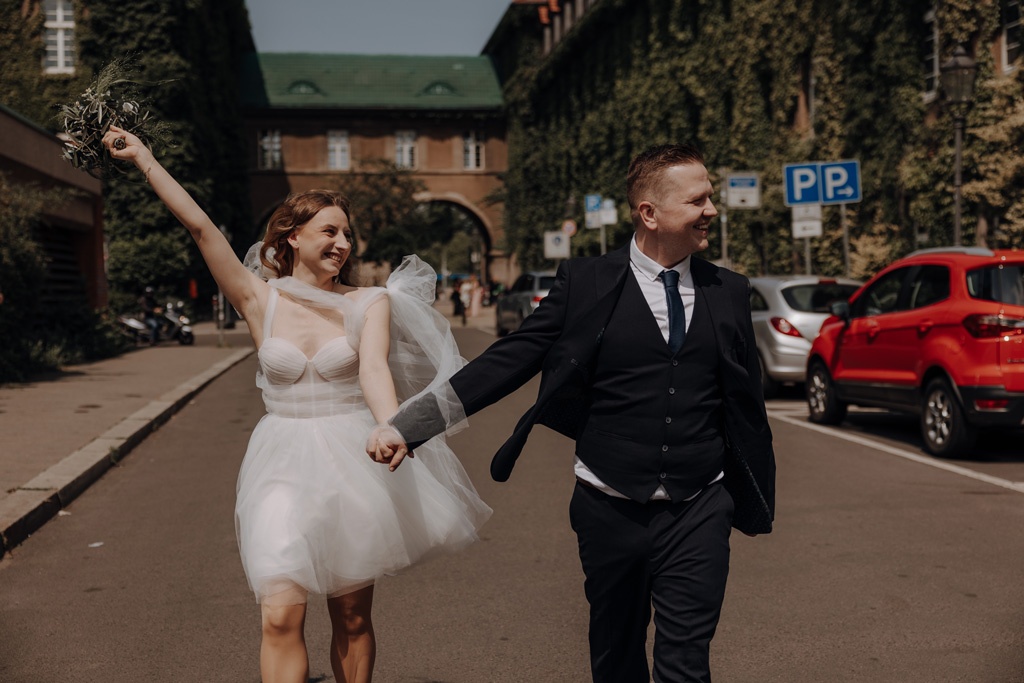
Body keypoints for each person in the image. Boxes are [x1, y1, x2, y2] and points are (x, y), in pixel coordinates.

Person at [101, 125, 490, 683]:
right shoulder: (260, 299)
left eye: (347, 235)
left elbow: (376, 370)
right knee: (279, 615)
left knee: (352, 615)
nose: (343, 244)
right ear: (291, 237)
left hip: (353, 456)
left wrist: (390, 427)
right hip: (281, 460)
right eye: (329, 231)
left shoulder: (369, 302)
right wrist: (146, 161)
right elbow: (200, 227)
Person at [376, 143, 775, 682]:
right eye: (698, 199)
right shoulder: (586, 282)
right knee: (616, 655)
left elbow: (747, 406)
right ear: (649, 213)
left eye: (711, 197)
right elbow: (508, 361)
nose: (712, 210)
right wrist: (411, 425)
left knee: (686, 663)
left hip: (699, 504)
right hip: (608, 503)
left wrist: (742, 495)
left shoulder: (728, 291)